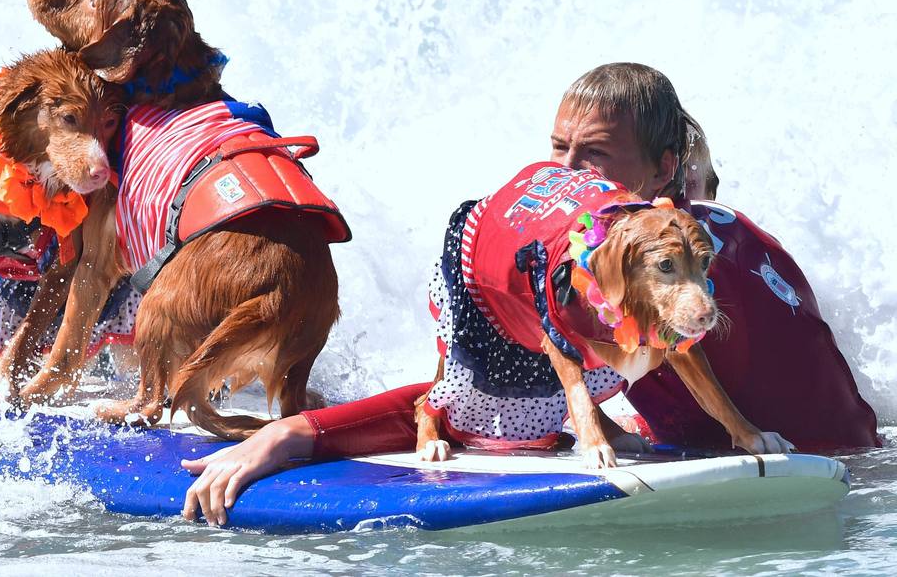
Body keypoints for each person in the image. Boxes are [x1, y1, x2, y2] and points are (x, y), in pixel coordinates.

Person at [179, 62, 877, 527]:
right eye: (558, 151)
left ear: (665, 168)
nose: (564, 175)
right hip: (857, 475)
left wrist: (294, 435)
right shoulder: (726, 230)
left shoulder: (646, 274)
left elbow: (467, 402)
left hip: (779, 498)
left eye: (592, 157)